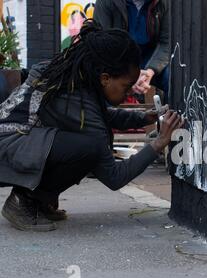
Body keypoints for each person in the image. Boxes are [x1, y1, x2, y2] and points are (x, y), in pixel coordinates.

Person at [0, 21, 184, 232]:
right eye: (126, 86)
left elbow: (102, 115)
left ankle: (40, 200)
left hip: (13, 141)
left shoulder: (76, 80)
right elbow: (115, 177)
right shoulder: (75, 97)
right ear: (105, 78)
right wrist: (159, 143)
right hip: (8, 147)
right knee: (91, 149)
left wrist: (144, 118)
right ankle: (25, 200)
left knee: (86, 146)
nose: (130, 93)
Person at [94, 0, 170, 98]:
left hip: (151, 60)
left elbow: (166, 42)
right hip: (117, 60)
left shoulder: (163, 2)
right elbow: (102, 43)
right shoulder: (106, 2)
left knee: (172, 78)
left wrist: (150, 71)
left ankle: (173, 112)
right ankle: (106, 111)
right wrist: (128, 72)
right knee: (101, 78)